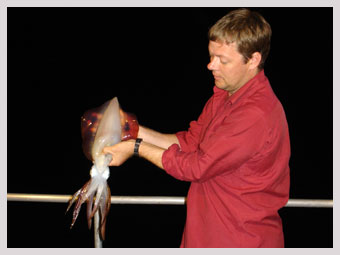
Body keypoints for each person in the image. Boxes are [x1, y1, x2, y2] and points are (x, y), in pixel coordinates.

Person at [103, 8, 290, 248]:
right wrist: (135, 129)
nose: (211, 66)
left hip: (240, 240)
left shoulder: (255, 114)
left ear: (253, 60)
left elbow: (197, 167)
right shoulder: (224, 95)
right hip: (203, 236)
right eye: (211, 56)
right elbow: (191, 144)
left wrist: (135, 148)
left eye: (223, 60)